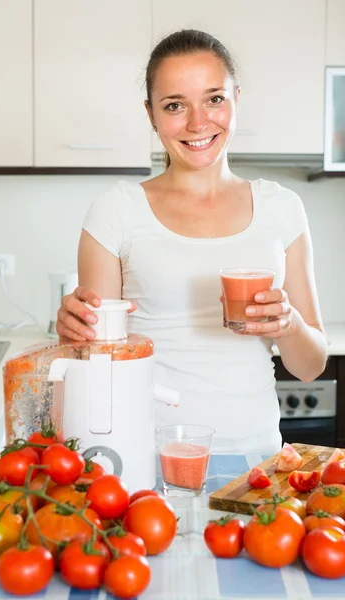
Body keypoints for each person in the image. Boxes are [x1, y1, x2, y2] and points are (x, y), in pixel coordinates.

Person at [56, 29, 328, 455]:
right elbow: (97, 362)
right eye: (175, 105)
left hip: (254, 458)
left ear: (237, 97)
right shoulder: (116, 211)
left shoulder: (282, 208)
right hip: (145, 455)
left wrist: (288, 323)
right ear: (151, 114)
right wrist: (73, 335)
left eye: (214, 98)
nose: (198, 123)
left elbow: (311, 366)